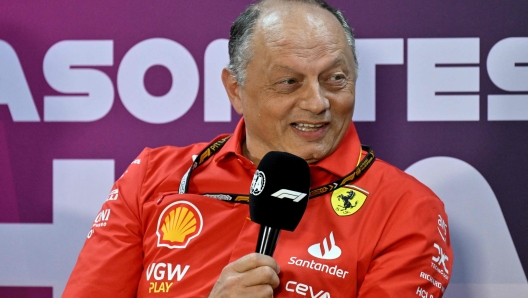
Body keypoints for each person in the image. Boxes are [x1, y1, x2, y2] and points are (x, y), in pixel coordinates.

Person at [63, 0, 453, 297]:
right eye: (289, 82)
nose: (318, 102)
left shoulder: (406, 207)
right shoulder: (154, 175)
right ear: (236, 90)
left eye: (335, 78)